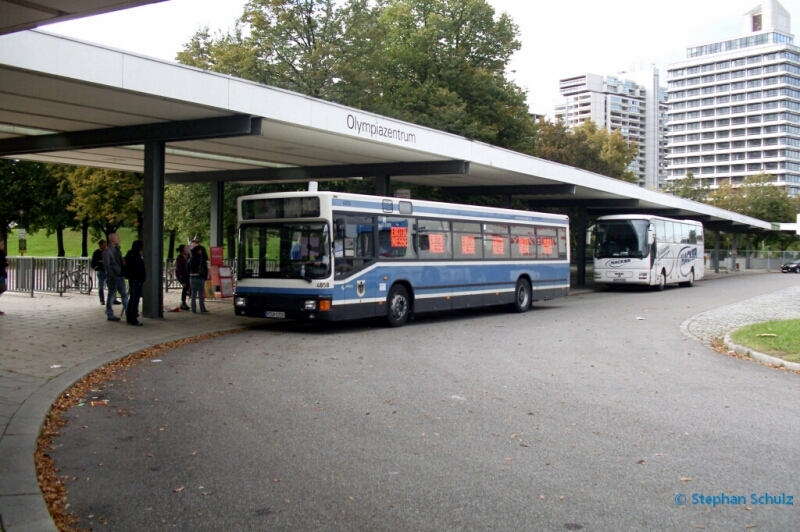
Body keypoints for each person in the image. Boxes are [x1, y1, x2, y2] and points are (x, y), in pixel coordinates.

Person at [102, 233, 129, 322]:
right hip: (113, 277)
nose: (119, 239)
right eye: (118, 238)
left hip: (120, 276)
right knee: (112, 295)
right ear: (113, 240)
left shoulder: (117, 251)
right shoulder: (107, 252)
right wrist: (112, 276)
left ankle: (128, 312)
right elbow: (107, 265)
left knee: (124, 295)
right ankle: (109, 313)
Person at [123, 240, 146, 326]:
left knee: (132, 299)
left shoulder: (130, 256)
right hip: (137, 279)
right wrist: (141, 278)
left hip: (133, 279)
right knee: (135, 299)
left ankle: (129, 316)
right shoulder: (136, 257)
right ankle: (133, 318)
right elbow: (139, 269)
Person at [188, 244, 209, 314]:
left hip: (192, 277)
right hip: (200, 277)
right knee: (200, 294)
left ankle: (193, 308)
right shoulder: (201, 259)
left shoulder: (190, 259)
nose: (201, 252)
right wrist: (205, 277)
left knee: (193, 294)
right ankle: (202, 309)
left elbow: (187, 269)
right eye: (200, 250)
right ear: (198, 251)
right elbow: (205, 269)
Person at [91, 240, 107, 305]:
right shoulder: (96, 253)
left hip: (108, 271)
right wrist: (99, 264)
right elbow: (93, 264)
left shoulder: (107, 252)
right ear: (100, 245)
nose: (105, 246)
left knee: (111, 285)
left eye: (105, 244)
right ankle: (102, 300)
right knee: (101, 286)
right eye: (104, 244)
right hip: (101, 271)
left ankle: (112, 299)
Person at [175, 244, 190, 311]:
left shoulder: (188, 256)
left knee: (187, 288)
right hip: (183, 275)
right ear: (182, 250)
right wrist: (182, 280)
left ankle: (184, 302)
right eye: (186, 248)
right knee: (185, 287)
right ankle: (183, 302)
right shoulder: (179, 258)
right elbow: (179, 269)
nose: (187, 250)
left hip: (188, 274)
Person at [0, 239, 7, 316]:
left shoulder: (2, 253)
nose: (3, 245)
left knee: (2, 289)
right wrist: (6, 263)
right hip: (0, 274)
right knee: (2, 289)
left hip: (1, 274)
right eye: (1, 244)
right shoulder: (1, 254)